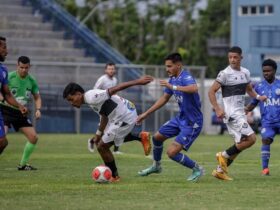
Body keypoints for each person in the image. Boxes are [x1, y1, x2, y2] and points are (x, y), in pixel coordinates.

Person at [63, 76, 153, 182]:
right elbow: (104, 117)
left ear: (78, 94)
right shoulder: (89, 100)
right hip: (123, 114)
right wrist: (98, 134)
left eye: (71, 99)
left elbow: (115, 89)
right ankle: (140, 137)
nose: (71, 103)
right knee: (106, 139)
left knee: (102, 147)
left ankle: (114, 176)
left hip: (124, 116)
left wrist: (138, 81)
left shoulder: (92, 97)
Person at [137, 53, 204, 182]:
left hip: (192, 123)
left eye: (169, 66)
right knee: (157, 138)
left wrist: (172, 87)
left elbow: (194, 88)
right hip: (181, 118)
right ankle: (156, 166)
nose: (167, 69)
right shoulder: (173, 78)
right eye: (166, 66)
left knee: (172, 153)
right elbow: (164, 98)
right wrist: (145, 114)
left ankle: (197, 169)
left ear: (178, 65)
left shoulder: (186, 77)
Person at [208, 46, 267, 181]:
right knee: (251, 139)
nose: (232, 60)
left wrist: (258, 98)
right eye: (230, 57)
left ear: (241, 58)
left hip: (240, 113)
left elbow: (249, 90)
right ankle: (223, 155)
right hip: (231, 114)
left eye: (235, 57)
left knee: (240, 144)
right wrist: (217, 108)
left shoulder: (245, 72)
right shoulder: (224, 74)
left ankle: (220, 171)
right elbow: (211, 91)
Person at [0, 56, 41, 170]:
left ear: (29, 67)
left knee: (33, 137)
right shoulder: (10, 76)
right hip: (5, 110)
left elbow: (37, 97)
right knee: (2, 139)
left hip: (20, 113)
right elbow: (3, 93)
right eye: (21, 67)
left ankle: (22, 165)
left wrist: (38, 109)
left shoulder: (31, 80)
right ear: (17, 66)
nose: (23, 70)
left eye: (26, 68)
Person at [246, 59, 279, 176]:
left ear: (274, 71)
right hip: (268, 122)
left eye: (268, 71)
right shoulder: (259, 87)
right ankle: (265, 169)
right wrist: (244, 110)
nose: (266, 73)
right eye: (264, 71)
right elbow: (253, 103)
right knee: (265, 140)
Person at [0, 36, 28, 156]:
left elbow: (7, 93)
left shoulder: (3, 70)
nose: (7, 51)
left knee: (2, 142)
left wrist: (19, 106)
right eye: (4, 48)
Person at [88, 62, 122, 154]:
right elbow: (94, 91)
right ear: (105, 70)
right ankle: (94, 141)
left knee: (114, 125)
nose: (111, 70)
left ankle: (115, 149)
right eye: (109, 69)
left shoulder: (115, 79)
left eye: (113, 69)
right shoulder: (102, 79)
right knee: (109, 127)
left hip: (111, 106)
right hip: (102, 106)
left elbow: (114, 92)